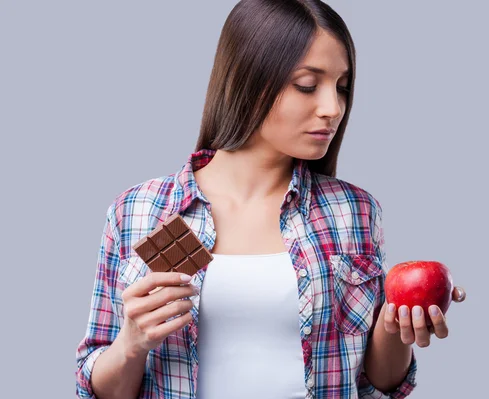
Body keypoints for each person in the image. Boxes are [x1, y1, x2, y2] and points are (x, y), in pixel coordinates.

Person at [75, 1, 467, 398]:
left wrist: (396, 325)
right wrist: (132, 344)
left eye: (342, 87)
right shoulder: (139, 212)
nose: (333, 108)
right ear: (248, 79)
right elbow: (100, 389)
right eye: (307, 85)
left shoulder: (354, 212)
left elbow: (377, 384)